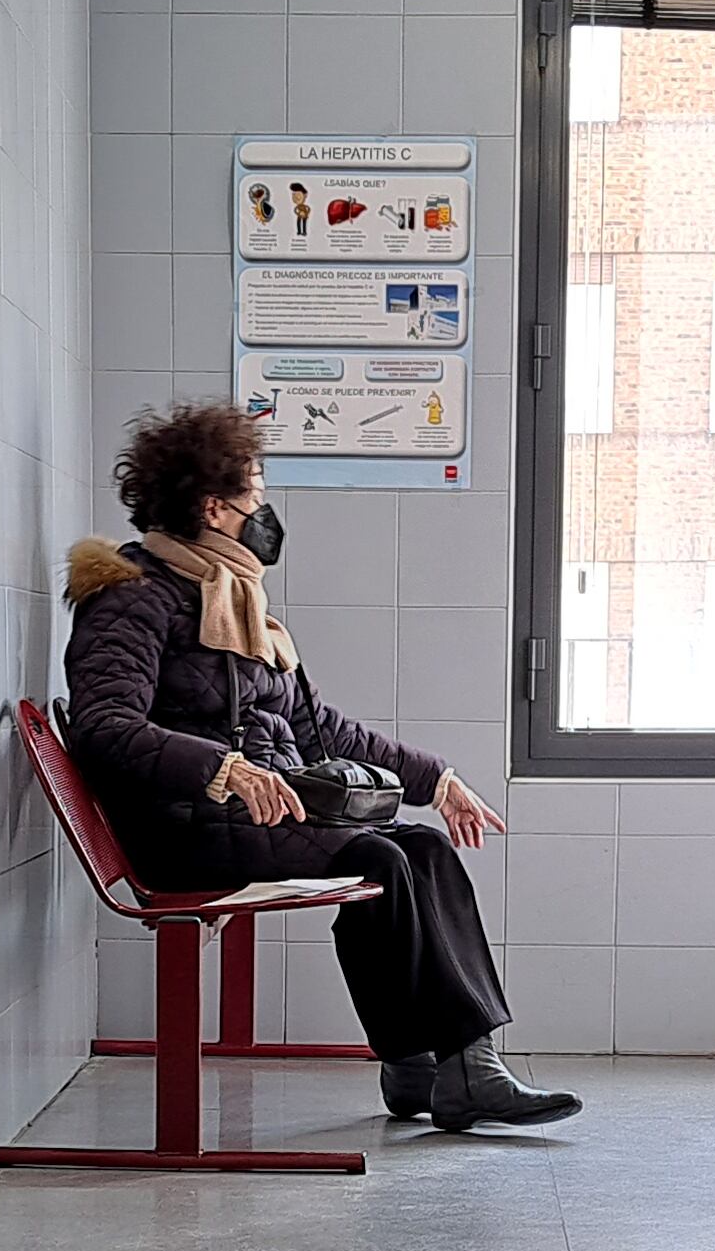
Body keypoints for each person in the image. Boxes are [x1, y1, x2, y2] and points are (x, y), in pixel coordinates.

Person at [64, 400, 579, 1132]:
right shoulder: (134, 598)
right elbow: (105, 726)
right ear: (215, 508)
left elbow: (317, 728)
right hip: (183, 824)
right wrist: (223, 768)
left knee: (420, 846)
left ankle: (432, 1069)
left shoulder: (235, 600)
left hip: (257, 813)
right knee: (378, 856)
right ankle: (451, 1069)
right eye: (256, 500)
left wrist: (437, 780)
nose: (265, 516)